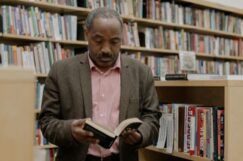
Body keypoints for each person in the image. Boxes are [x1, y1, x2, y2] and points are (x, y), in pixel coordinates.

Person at [39, 7, 161, 161]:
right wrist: (70, 130)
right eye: (98, 40)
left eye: (114, 42)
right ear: (86, 34)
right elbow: (46, 121)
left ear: (122, 38)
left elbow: (152, 118)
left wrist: (140, 134)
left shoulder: (141, 72)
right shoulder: (61, 71)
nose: (106, 49)